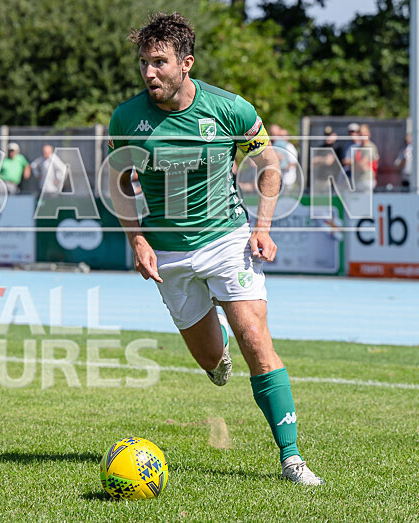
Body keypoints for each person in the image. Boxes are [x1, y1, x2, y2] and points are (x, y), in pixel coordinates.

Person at [107, 12, 323, 486]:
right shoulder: (126, 118)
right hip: (169, 255)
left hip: (227, 239)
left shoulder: (230, 109)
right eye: (143, 62)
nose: (149, 73)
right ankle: (216, 347)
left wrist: (262, 227)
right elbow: (118, 182)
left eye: (158, 63)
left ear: (185, 63)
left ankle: (291, 459)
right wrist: (137, 238)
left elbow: (270, 165)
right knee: (210, 359)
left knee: (255, 337)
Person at [270, 125, 298, 189]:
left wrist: (283, 166)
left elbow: (294, 163)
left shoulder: (289, 147)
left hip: (287, 180)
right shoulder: (275, 146)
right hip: (278, 180)